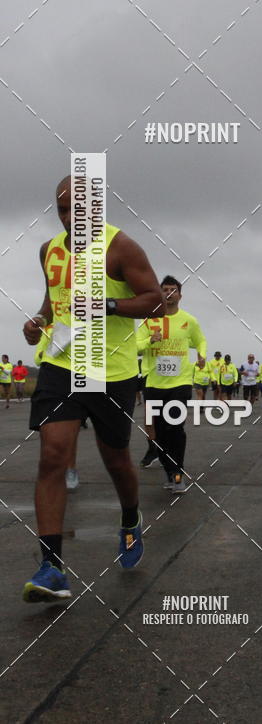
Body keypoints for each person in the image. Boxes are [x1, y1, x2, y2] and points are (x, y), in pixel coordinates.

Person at [22, 176, 164, 603]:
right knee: (53, 455)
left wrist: (109, 304)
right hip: (60, 365)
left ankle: (129, 517)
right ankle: (51, 568)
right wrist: (38, 324)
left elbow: (154, 300)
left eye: (77, 210)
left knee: (116, 457)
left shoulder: (121, 248)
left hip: (111, 371)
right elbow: (53, 304)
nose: (69, 218)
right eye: (62, 210)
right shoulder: (50, 251)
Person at [137, 275, 206, 493]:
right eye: (165, 289)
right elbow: (135, 346)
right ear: (160, 293)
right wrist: (150, 341)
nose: (169, 293)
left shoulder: (189, 320)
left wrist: (202, 355)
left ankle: (178, 474)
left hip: (181, 382)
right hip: (155, 383)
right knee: (159, 430)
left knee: (175, 427)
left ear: (180, 294)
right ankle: (169, 472)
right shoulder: (149, 320)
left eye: (173, 290)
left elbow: (200, 340)